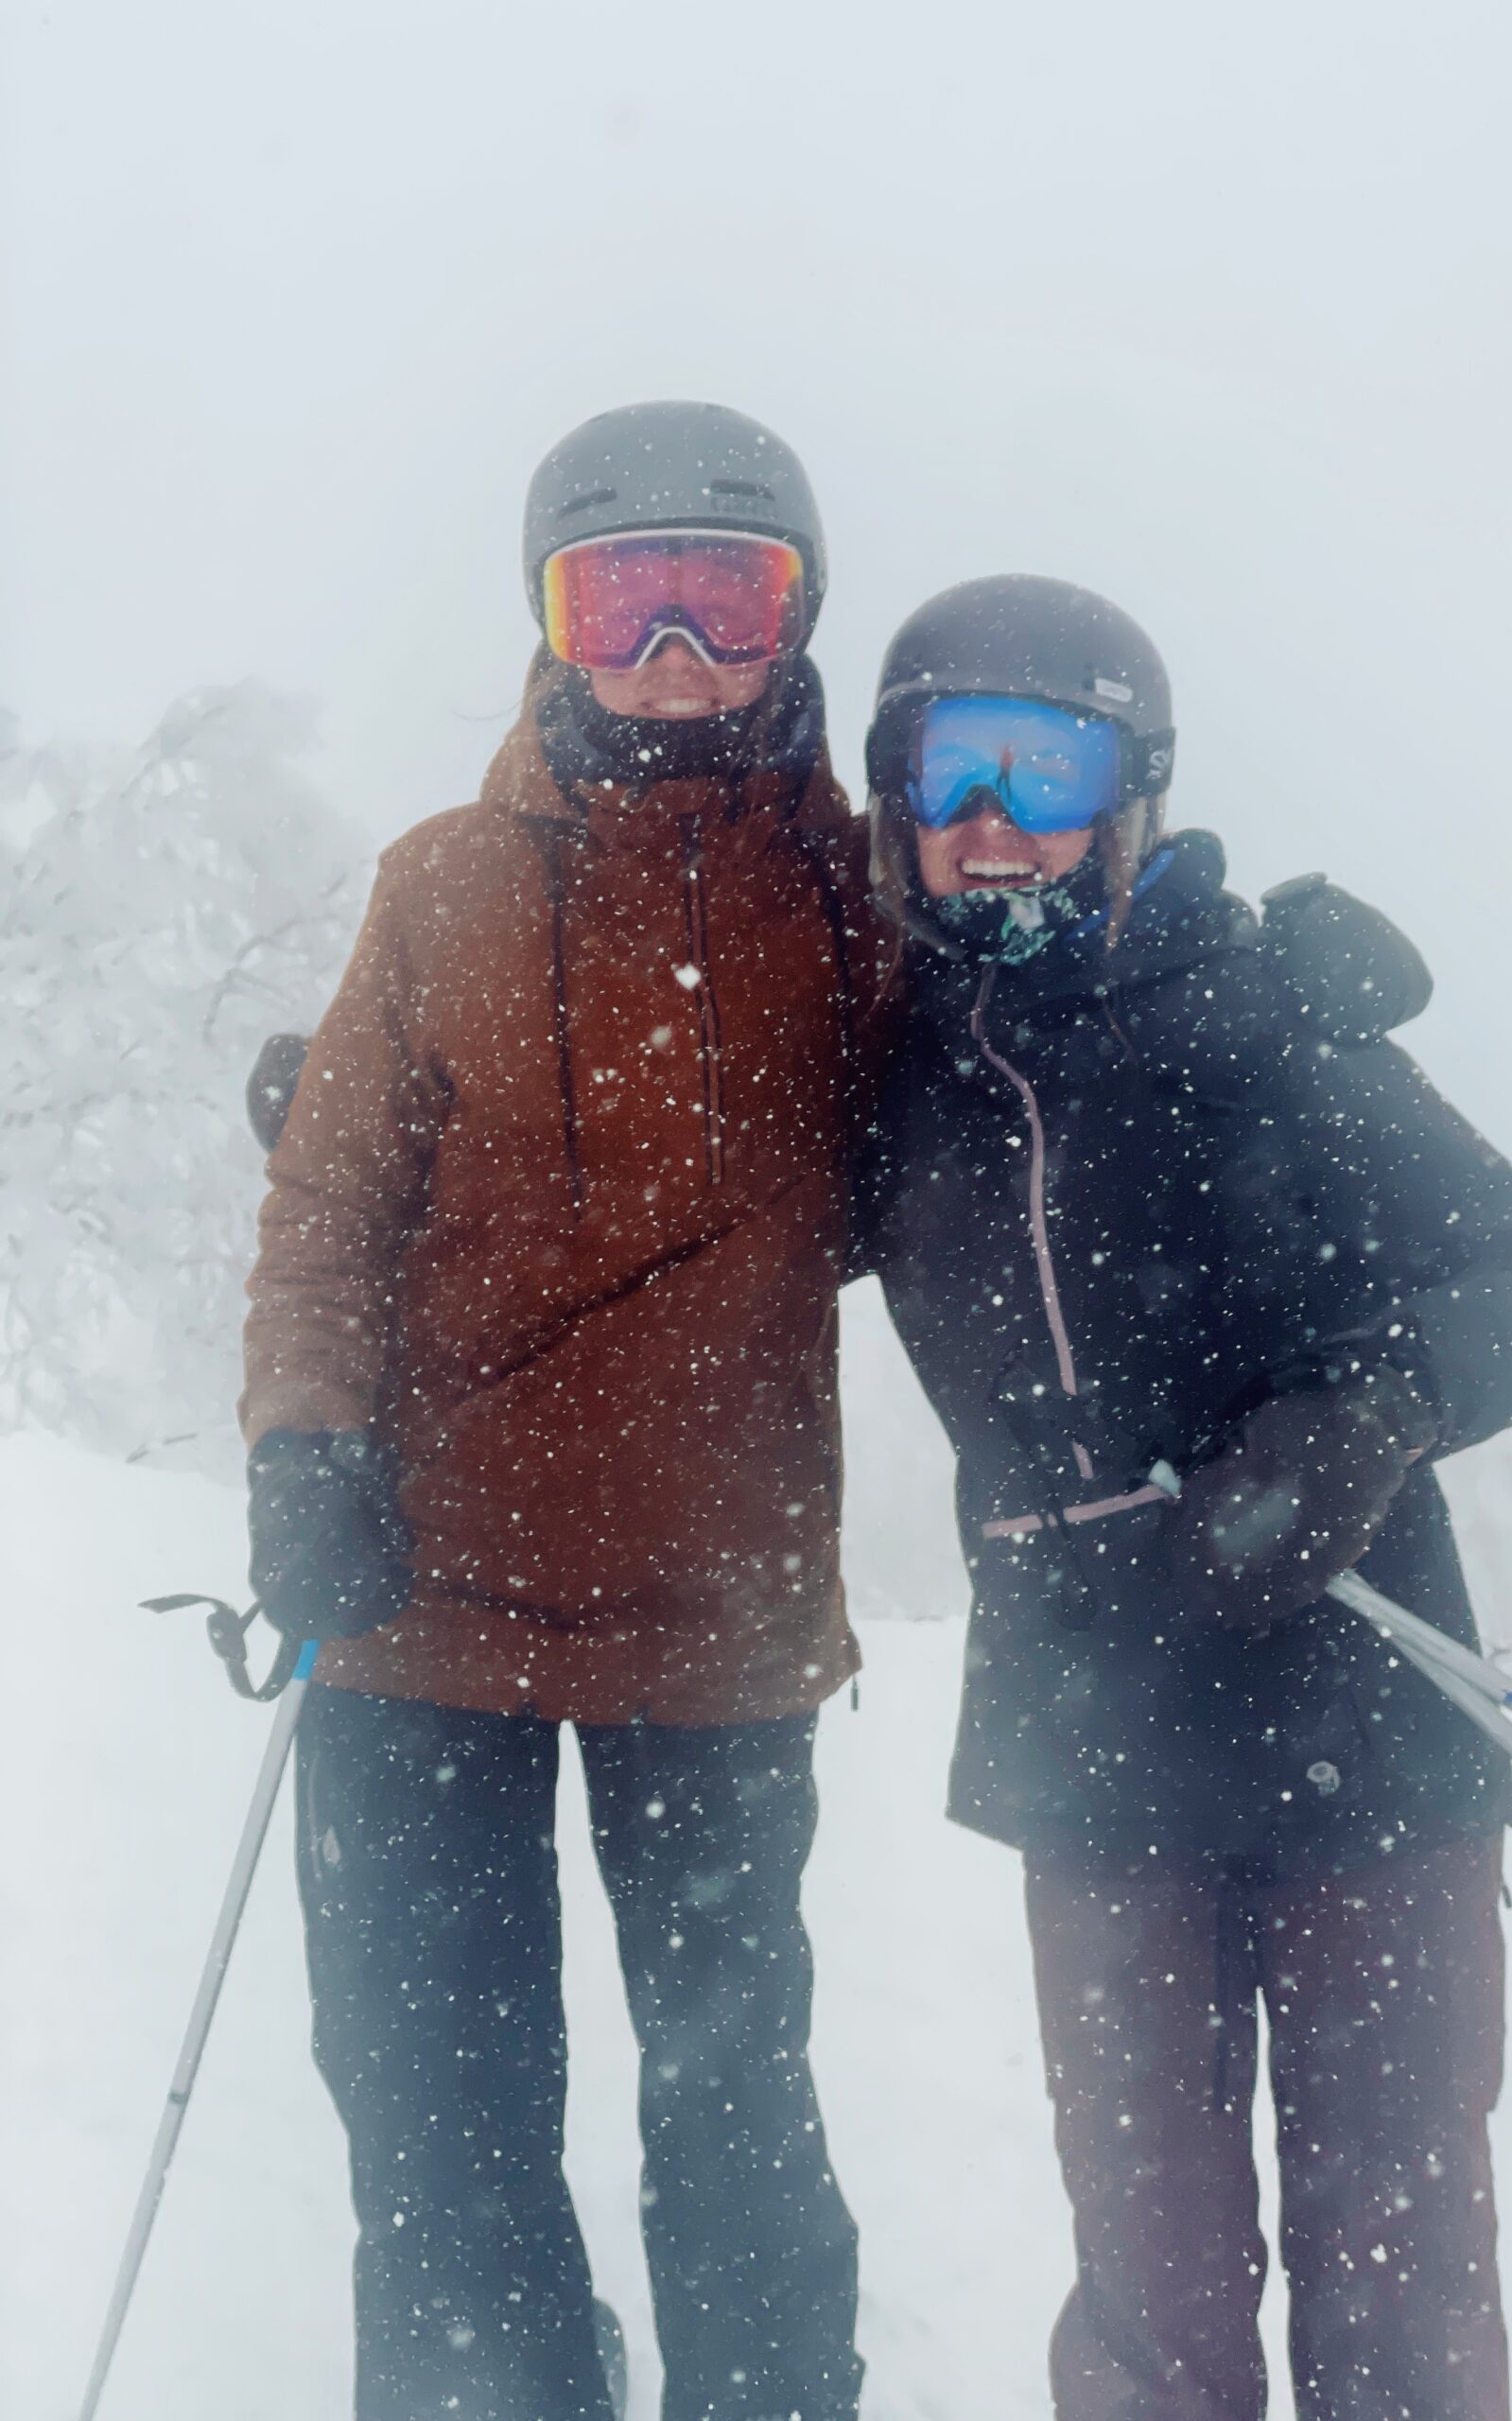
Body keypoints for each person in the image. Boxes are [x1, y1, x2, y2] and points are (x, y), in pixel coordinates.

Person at [857, 575, 1512, 2421]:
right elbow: (681, 1226)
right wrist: (429, 1137)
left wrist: (1369, 1414)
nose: (991, 817)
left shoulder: (1271, 1008)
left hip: (1365, 1724)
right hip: (1092, 1742)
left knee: (1402, 2272)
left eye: (1048, 765)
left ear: (1134, 790)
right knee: (1150, 2301)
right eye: (952, 762)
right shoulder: (889, 1075)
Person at [241, 401, 887, 2421]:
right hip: (421, 1597)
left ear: (797, 624)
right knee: (435, 2096)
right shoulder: (443, 884)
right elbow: (330, 1209)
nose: (677, 659)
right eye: (627, 602)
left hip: (714, 1612)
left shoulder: (861, 901)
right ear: (548, 623)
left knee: (731, 2099)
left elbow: (971, 1149)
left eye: (728, 601)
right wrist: (300, 1445)